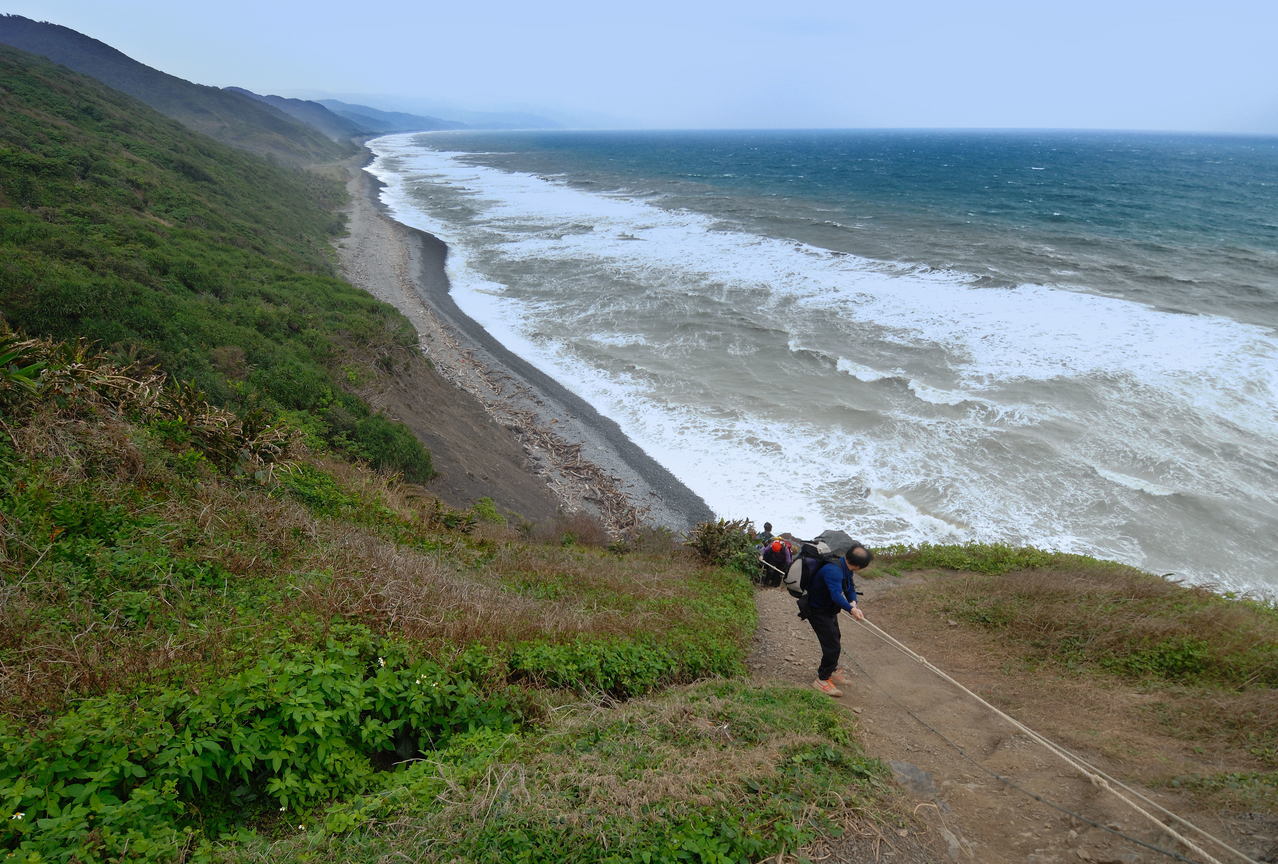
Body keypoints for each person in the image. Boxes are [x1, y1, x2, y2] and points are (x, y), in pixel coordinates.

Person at [804, 544, 873, 697]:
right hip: (818, 611)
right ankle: (822, 679)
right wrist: (851, 609)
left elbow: (849, 588)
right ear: (859, 565)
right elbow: (836, 595)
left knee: (836, 638)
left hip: (828, 610)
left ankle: (831, 670)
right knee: (832, 646)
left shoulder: (845, 566)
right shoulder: (833, 570)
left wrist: (853, 603)